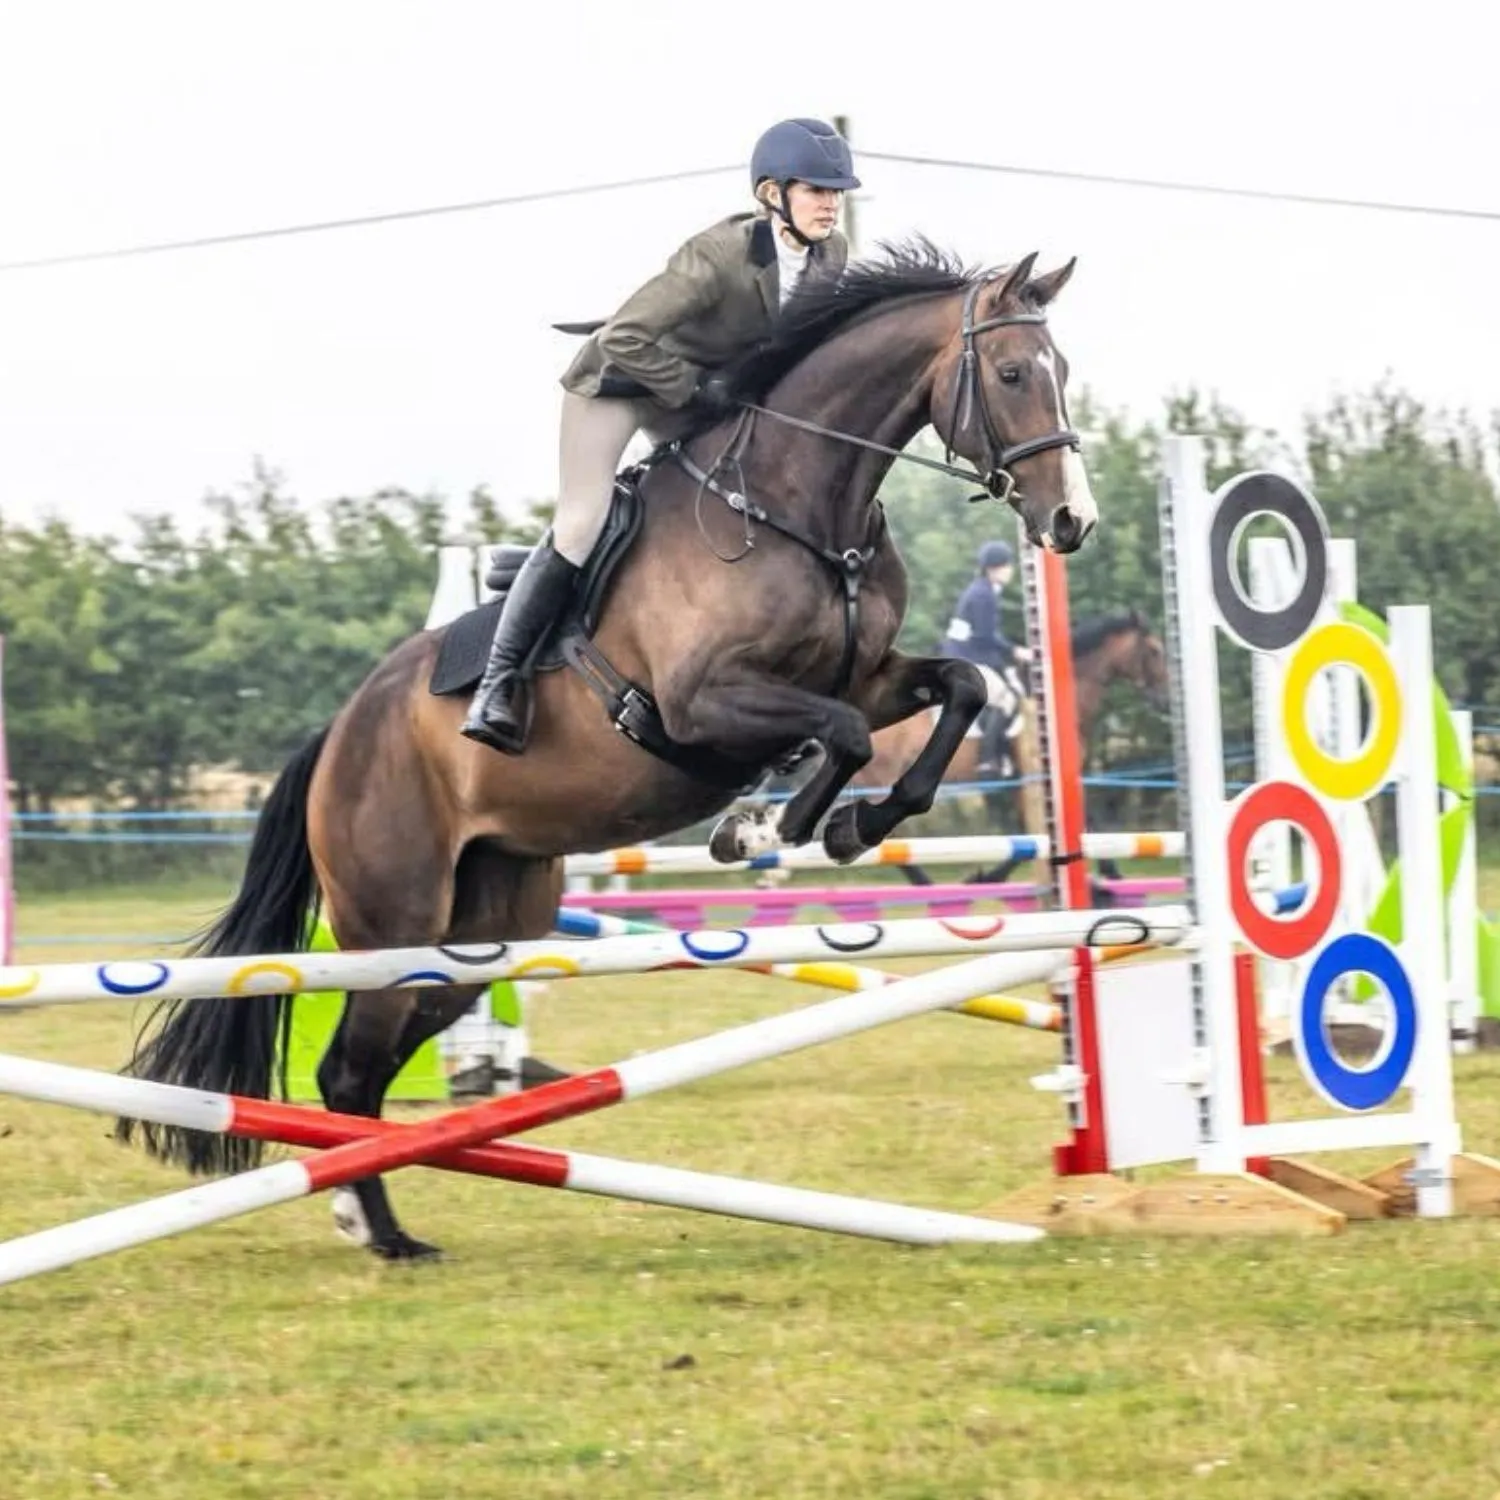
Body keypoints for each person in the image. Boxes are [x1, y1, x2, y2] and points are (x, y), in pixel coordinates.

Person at [461, 118, 860, 754]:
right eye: (817, 189)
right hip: (619, 383)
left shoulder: (831, 255)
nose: (831, 203)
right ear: (770, 194)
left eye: (837, 192)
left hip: (705, 391)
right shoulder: (720, 254)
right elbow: (624, 336)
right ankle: (498, 683)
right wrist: (697, 392)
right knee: (583, 520)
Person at [940, 539, 1033, 775]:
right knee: (1007, 700)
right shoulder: (984, 595)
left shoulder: (981, 590)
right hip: (965, 661)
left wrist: (1004, 663)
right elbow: (985, 637)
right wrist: (1015, 651)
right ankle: (988, 759)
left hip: (965, 656)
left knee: (1005, 685)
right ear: (993, 568)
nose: (1010, 569)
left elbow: (984, 639)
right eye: (1006, 565)